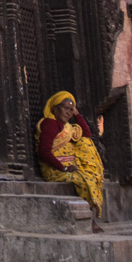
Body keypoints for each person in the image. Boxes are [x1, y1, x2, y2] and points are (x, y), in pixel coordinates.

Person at [37, 91, 105, 233]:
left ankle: (89, 218)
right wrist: (64, 168)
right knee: (84, 180)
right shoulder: (50, 124)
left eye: (70, 110)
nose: (68, 113)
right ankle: (90, 220)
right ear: (55, 109)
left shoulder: (67, 126)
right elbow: (44, 152)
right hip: (54, 169)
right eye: (65, 108)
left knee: (86, 144)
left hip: (67, 167)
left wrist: (77, 114)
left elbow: (86, 133)